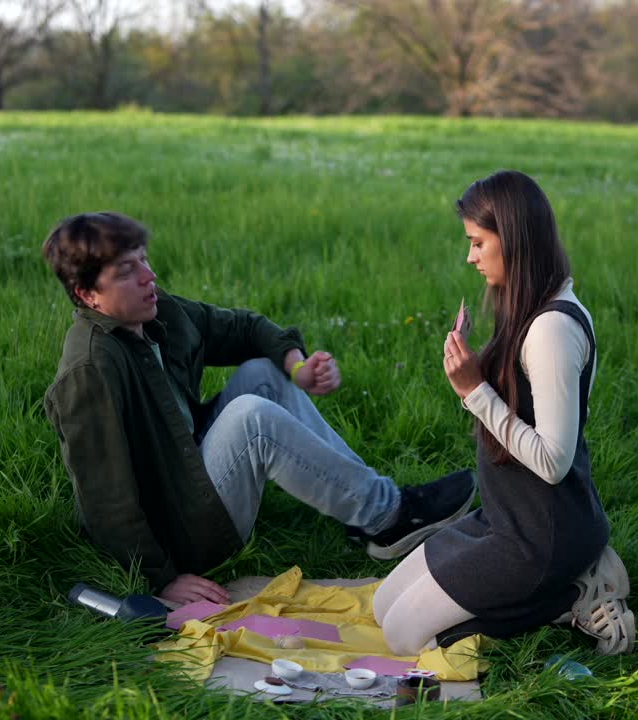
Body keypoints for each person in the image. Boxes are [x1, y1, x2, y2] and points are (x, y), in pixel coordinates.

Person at [41, 212, 475, 606]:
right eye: (126, 271)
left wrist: (297, 367)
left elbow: (244, 329)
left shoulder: (156, 314)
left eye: (144, 260)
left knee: (264, 372)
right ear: (88, 294)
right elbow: (104, 500)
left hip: (189, 474)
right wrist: (163, 579)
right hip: (180, 535)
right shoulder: (90, 370)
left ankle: (371, 513)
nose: (148, 276)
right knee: (252, 418)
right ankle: (389, 514)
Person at [373, 171, 635, 656]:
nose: (470, 257)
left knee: (404, 636)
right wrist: (477, 377)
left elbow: (553, 462)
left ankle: (574, 595)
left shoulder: (552, 330)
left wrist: (475, 390)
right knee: (382, 606)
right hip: (503, 517)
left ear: (512, 240)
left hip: (542, 537)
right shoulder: (528, 305)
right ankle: (560, 585)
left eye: (478, 243)